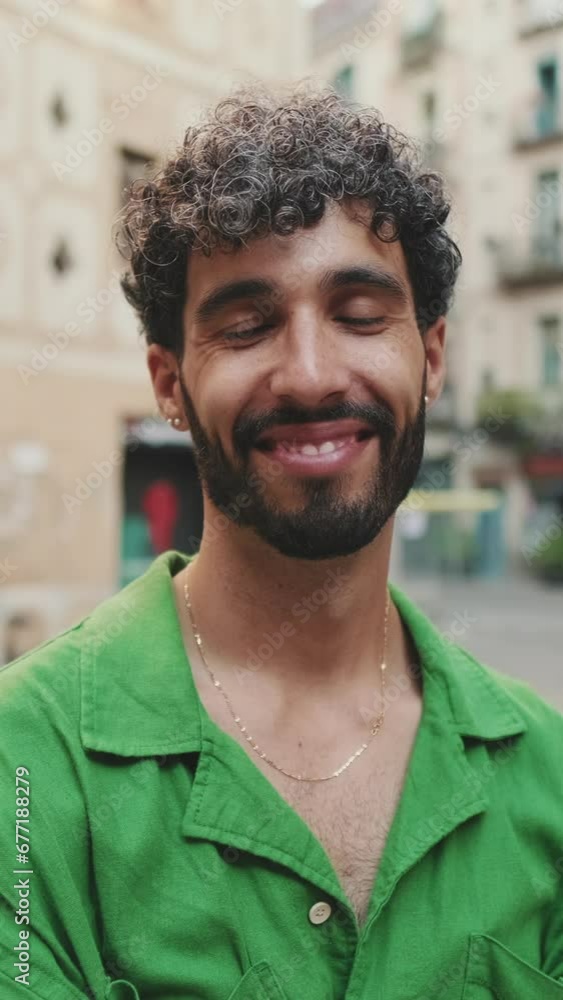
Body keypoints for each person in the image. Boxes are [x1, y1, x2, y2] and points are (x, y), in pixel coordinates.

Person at [1, 85, 562, 1000]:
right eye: (247, 325)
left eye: (360, 312)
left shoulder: (548, 771)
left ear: (432, 357)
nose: (308, 375)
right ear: (170, 383)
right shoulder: (24, 762)